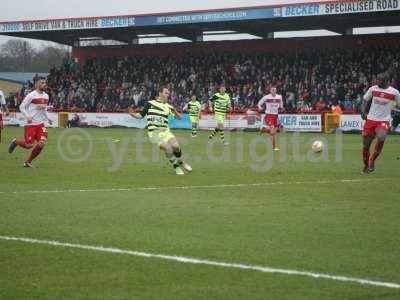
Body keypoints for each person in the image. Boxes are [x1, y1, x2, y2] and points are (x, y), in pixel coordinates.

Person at [130, 86, 192, 176]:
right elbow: (140, 115)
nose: (168, 95)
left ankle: (181, 162)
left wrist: (174, 111)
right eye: (166, 92)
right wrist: (132, 114)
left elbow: (179, 118)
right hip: (154, 133)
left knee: (176, 146)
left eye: (168, 93)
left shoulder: (168, 106)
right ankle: (177, 167)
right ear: (160, 93)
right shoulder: (150, 104)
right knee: (169, 149)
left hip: (165, 131)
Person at [8, 78, 52, 168]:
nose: (44, 84)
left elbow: (44, 109)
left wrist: (48, 118)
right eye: (42, 83)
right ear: (37, 85)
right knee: (29, 145)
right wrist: (27, 116)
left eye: (45, 83)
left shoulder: (46, 96)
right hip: (30, 124)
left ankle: (28, 162)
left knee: (41, 143)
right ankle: (15, 142)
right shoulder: (31, 95)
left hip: (40, 124)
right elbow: (22, 107)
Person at [361, 72, 400, 173]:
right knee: (366, 145)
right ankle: (366, 166)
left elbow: (399, 105)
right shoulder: (373, 89)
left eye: (379, 80)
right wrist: (363, 111)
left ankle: (372, 161)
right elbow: (365, 100)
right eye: (377, 79)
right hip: (370, 119)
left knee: (382, 137)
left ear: (386, 81)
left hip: (383, 120)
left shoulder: (394, 92)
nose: (377, 81)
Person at [257, 86, 284, 151]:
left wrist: (282, 107)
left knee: (273, 132)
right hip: (269, 115)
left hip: (276, 116)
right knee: (272, 131)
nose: (273, 91)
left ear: (276, 91)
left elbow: (281, 105)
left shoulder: (279, 97)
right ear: (270, 91)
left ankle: (264, 129)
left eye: (274, 90)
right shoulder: (266, 97)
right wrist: (259, 107)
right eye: (272, 90)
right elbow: (259, 103)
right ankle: (274, 147)